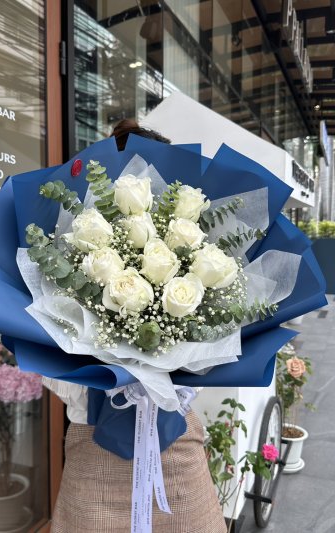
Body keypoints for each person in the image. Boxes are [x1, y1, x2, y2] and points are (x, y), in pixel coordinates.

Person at [48, 119, 227, 533]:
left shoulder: (197, 255)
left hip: (174, 455)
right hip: (96, 461)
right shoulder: (70, 257)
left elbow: (56, 378)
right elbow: (42, 358)